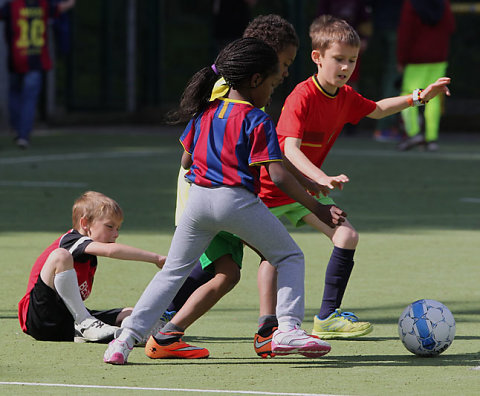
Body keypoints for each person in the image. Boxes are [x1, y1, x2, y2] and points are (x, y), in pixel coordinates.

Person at [103, 37, 347, 364]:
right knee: (289, 256)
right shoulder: (256, 119)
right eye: (272, 85)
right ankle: (287, 329)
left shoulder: (204, 113)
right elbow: (277, 175)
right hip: (235, 202)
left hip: (197, 203)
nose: (272, 92)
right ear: (256, 80)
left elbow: (187, 162)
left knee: (172, 274)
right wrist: (317, 206)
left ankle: (124, 340)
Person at [255, 15, 451, 346]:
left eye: (352, 60)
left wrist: (418, 98)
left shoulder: (345, 96)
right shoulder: (301, 96)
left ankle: (327, 317)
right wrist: (321, 177)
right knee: (263, 259)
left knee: (346, 236)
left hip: (306, 189)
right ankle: (265, 324)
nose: (345, 67)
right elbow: (289, 149)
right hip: (273, 188)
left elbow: (376, 109)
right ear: (317, 58)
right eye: (339, 59)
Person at [165, 14, 300, 359]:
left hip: (219, 195)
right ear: (260, 64)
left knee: (226, 275)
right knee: (279, 253)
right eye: (283, 64)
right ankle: (271, 330)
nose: (284, 73)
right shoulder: (231, 93)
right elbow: (200, 153)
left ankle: (168, 331)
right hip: (212, 195)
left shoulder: (247, 90)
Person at [18, 191, 166, 343]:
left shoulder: (90, 259)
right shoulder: (70, 241)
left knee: (130, 313)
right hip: (40, 320)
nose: (116, 234)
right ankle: (85, 323)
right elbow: (111, 251)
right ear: (85, 224)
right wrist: (157, 258)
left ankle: (124, 332)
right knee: (60, 256)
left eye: (118, 228)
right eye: (110, 226)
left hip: (66, 323)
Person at [0, 0, 76, 149]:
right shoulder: (44, 5)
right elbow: (61, 8)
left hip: (16, 58)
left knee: (15, 93)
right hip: (36, 58)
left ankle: (17, 128)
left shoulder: (12, 6)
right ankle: (23, 134)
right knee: (29, 98)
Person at [396, 0, 455, 152]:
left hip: (416, 58)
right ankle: (431, 138)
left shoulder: (411, 4)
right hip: (439, 57)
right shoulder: (444, 3)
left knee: (408, 94)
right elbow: (450, 27)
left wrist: (401, 59)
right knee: (435, 96)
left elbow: (406, 32)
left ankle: (414, 133)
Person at [370, 0, 404, 142]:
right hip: (393, 28)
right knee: (393, 77)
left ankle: (388, 126)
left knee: (388, 76)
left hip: (380, 26)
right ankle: (385, 127)